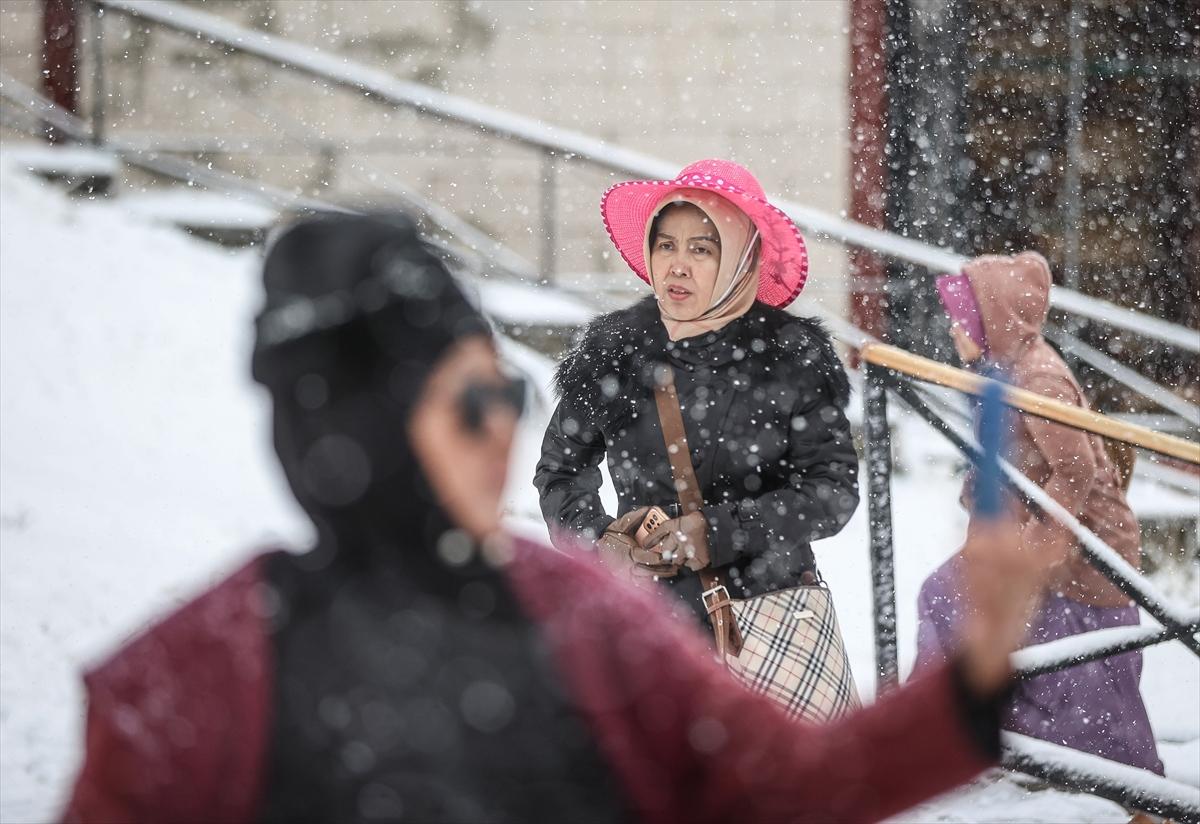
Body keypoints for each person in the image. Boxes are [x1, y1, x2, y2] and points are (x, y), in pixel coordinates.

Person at [64, 212, 1063, 823]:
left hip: (769, 608)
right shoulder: (194, 678)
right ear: (364, 427)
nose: (500, 424)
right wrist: (615, 535)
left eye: (506, 392)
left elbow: (787, 785)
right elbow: (565, 474)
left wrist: (971, 671)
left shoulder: (582, 615)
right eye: (469, 402)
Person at [534, 158, 859, 632]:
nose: (678, 265)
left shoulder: (790, 359)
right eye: (665, 245)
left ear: (742, 258)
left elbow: (832, 491)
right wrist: (600, 540)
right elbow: (560, 471)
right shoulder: (617, 352)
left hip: (764, 624)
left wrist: (719, 532)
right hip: (645, 625)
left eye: (702, 249)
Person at [915, 251, 1164, 775]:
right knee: (949, 603)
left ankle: (1138, 790)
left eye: (961, 319)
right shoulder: (1002, 371)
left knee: (1089, 684)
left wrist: (1036, 552)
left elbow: (1076, 471)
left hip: (1085, 553)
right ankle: (957, 738)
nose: (952, 329)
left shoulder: (1038, 381)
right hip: (1040, 544)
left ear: (992, 321)